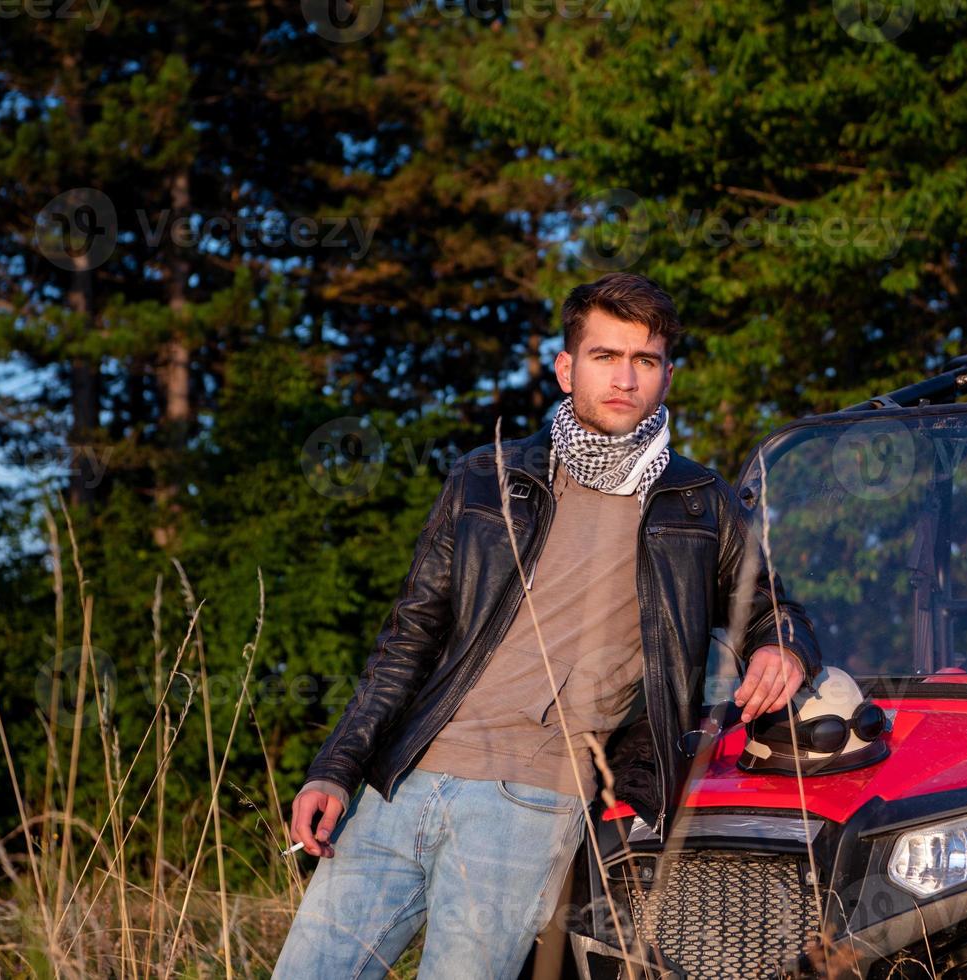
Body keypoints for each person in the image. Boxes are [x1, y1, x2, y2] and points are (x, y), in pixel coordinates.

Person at [271, 271, 821, 979]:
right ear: (565, 368)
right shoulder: (486, 477)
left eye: (644, 361)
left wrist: (781, 646)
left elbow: (775, 605)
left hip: (532, 802)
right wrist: (336, 769)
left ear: (667, 377)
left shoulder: (698, 503)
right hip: (401, 783)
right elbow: (407, 638)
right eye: (604, 356)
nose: (625, 377)